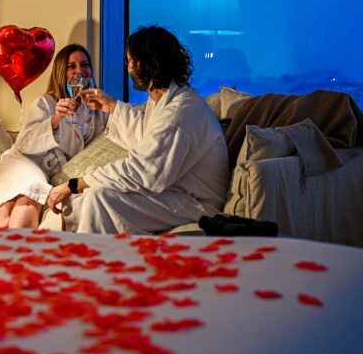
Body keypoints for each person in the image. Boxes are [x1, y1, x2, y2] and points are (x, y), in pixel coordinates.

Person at [44, 26, 229, 234]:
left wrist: (75, 183)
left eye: (131, 61)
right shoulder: (162, 100)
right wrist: (111, 106)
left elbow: (145, 170)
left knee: (99, 199)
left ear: (147, 63)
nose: (129, 68)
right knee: (85, 198)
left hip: (196, 203)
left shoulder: (181, 111)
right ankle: (47, 247)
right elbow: (147, 141)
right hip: (173, 190)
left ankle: (94, 260)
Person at [0, 44, 109, 229]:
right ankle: (16, 253)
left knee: (7, 218)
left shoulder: (98, 109)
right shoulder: (46, 103)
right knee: (31, 193)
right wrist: (55, 118)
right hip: (22, 162)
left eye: (84, 65)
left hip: (45, 171)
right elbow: (24, 144)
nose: (80, 71)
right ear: (61, 72)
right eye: (72, 66)